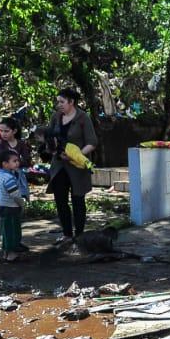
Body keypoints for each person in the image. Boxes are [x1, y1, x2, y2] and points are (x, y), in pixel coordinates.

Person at [45, 87, 98, 240]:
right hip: (59, 164)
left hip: (76, 165)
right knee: (60, 200)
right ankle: (67, 234)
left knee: (78, 199)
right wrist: (52, 148)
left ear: (71, 102)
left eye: (62, 102)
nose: (59, 105)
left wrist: (76, 156)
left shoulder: (83, 118)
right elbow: (50, 137)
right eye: (58, 102)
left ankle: (79, 234)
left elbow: (92, 142)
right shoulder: (56, 117)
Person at [0, 150, 29, 262]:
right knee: (12, 231)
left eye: (17, 160)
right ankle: (11, 254)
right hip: (11, 207)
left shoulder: (1, 174)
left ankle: (6, 252)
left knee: (6, 230)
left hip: (3, 206)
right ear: (5, 164)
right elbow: (15, 195)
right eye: (14, 161)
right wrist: (22, 204)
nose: (17, 163)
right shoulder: (9, 178)